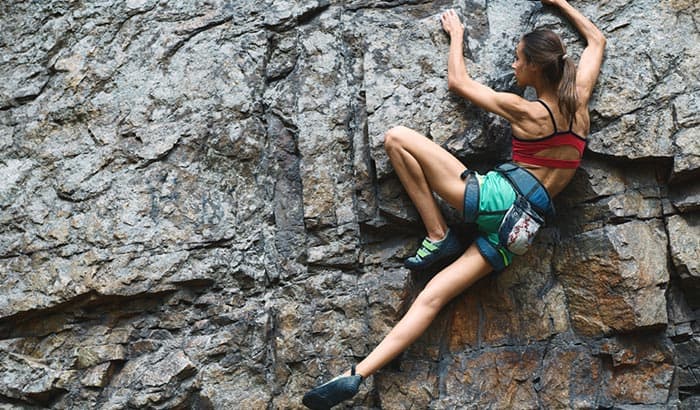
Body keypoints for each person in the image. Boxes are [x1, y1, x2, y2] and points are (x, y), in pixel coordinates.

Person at [302, 0, 606, 408]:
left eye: (518, 60)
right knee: (434, 296)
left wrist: (458, 35)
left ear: (536, 68)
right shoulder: (580, 100)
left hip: (499, 200)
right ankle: (357, 374)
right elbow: (597, 39)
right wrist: (562, 5)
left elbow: (459, 83)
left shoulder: (526, 110)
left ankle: (437, 232)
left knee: (395, 137)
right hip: (522, 230)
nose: (514, 67)